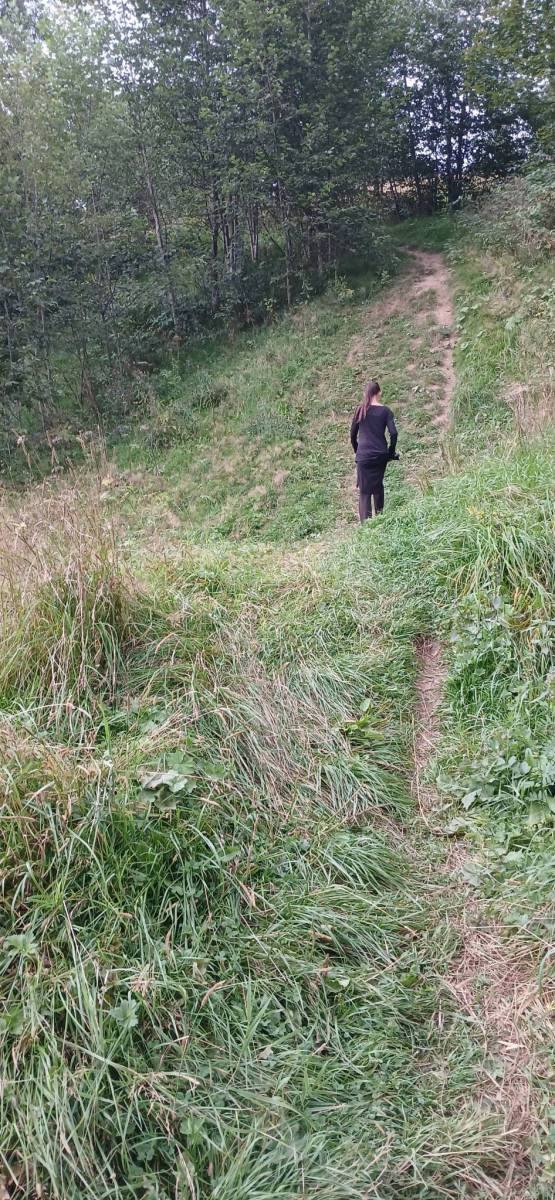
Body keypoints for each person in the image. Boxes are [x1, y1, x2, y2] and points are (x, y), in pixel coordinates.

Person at [350, 380, 398, 522]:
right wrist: (390, 453)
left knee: (364, 492)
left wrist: (358, 451)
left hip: (363, 456)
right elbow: (394, 433)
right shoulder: (385, 411)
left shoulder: (360, 410)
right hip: (380, 455)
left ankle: (366, 526)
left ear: (365, 393)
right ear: (379, 393)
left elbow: (352, 435)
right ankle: (380, 520)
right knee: (378, 487)